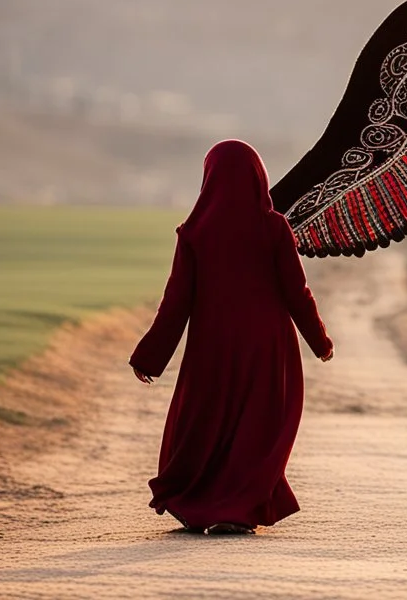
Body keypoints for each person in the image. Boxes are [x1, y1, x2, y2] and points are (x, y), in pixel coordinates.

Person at [129, 140, 334, 535]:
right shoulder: (273, 227)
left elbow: (176, 302)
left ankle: (202, 502)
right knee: (257, 426)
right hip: (268, 347)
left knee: (208, 423)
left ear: (209, 179)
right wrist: (319, 341)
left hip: (212, 347)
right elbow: (297, 291)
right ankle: (237, 507)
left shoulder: (193, 233)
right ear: (259, 178)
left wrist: (149, 356)